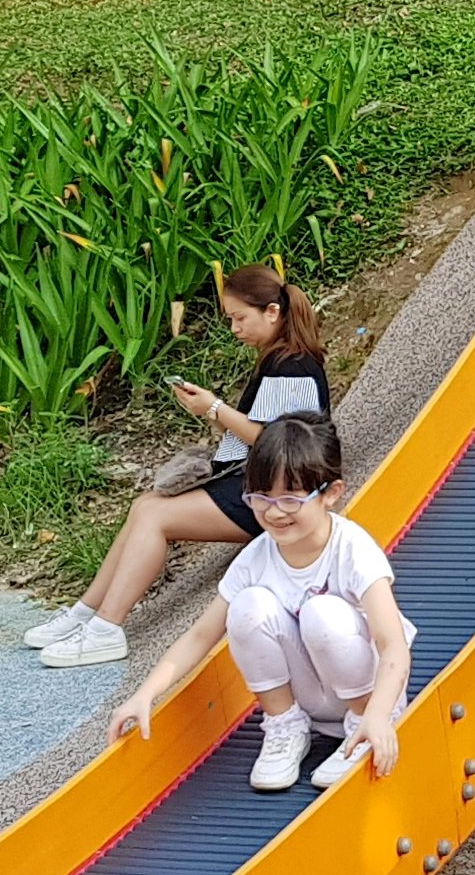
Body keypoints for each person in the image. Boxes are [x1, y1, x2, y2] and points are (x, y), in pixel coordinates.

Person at [26, 263, 330, 668]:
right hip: (258, 483)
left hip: (276, 497)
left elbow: (274, 438)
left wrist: (215, 408)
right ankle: (86, 613)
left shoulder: (292, 366)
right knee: (145, 506)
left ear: (272, 312)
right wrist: (211, 410)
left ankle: (106, 629)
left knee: (156, 519)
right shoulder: (279, 360)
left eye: (240, 318)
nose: (235, 328)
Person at [103, 413, 415, 793]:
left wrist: (380, 715)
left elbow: (391, 642)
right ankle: (286, 726)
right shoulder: (257, 557)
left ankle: (361, 725)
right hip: (314, 699)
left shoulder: (351, 549)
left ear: (330, 494)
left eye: (290, 499)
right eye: (260, 498)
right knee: (247, 606)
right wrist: (144, 695)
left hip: (369, 691)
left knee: (324, 613)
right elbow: (200, 636)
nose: (274, 511)